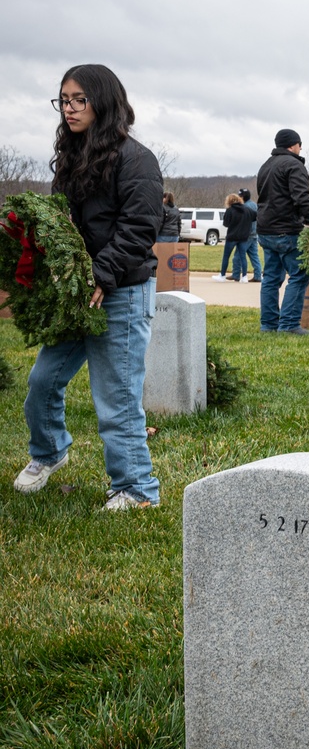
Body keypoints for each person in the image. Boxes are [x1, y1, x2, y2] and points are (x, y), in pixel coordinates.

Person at [15, 64, 162, 509]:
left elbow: (140, 226)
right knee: (42, 381)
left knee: (116, 398)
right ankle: (49, 453)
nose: (70, 109)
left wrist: (102, 274)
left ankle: (136, 490)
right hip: (80, 292)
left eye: (80, 99)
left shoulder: (136, 159)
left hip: (121, 290)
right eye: (64, 100)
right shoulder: (75, 156)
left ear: (104, 102)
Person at [255, 129, 309, 334]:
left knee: (270, 278)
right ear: (292, 145)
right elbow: (302, 199)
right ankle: (288, 325)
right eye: (300, 144)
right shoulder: (294, 165)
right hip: (286, 230)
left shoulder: (266, 166)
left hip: (265, 229)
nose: (301, 148)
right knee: (299, 275)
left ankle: (268, 325)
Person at [216, 193, 252, 283]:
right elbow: (255, 217)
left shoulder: (230, 210)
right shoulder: (247, 210)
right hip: (244, 236)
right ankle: (244, 276)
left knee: (226, 256)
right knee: (243, 256)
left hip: (232, 236)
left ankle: (222, 275)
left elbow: (226, 224)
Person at [238, 187, 263, 282]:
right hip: (254, 234)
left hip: (246, 235)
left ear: (243, 197)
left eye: (240, 196)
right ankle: (257, 275)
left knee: (238, 256)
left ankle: (236, 274)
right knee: (254, 256)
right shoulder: (254, 205)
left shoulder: (244, 207)